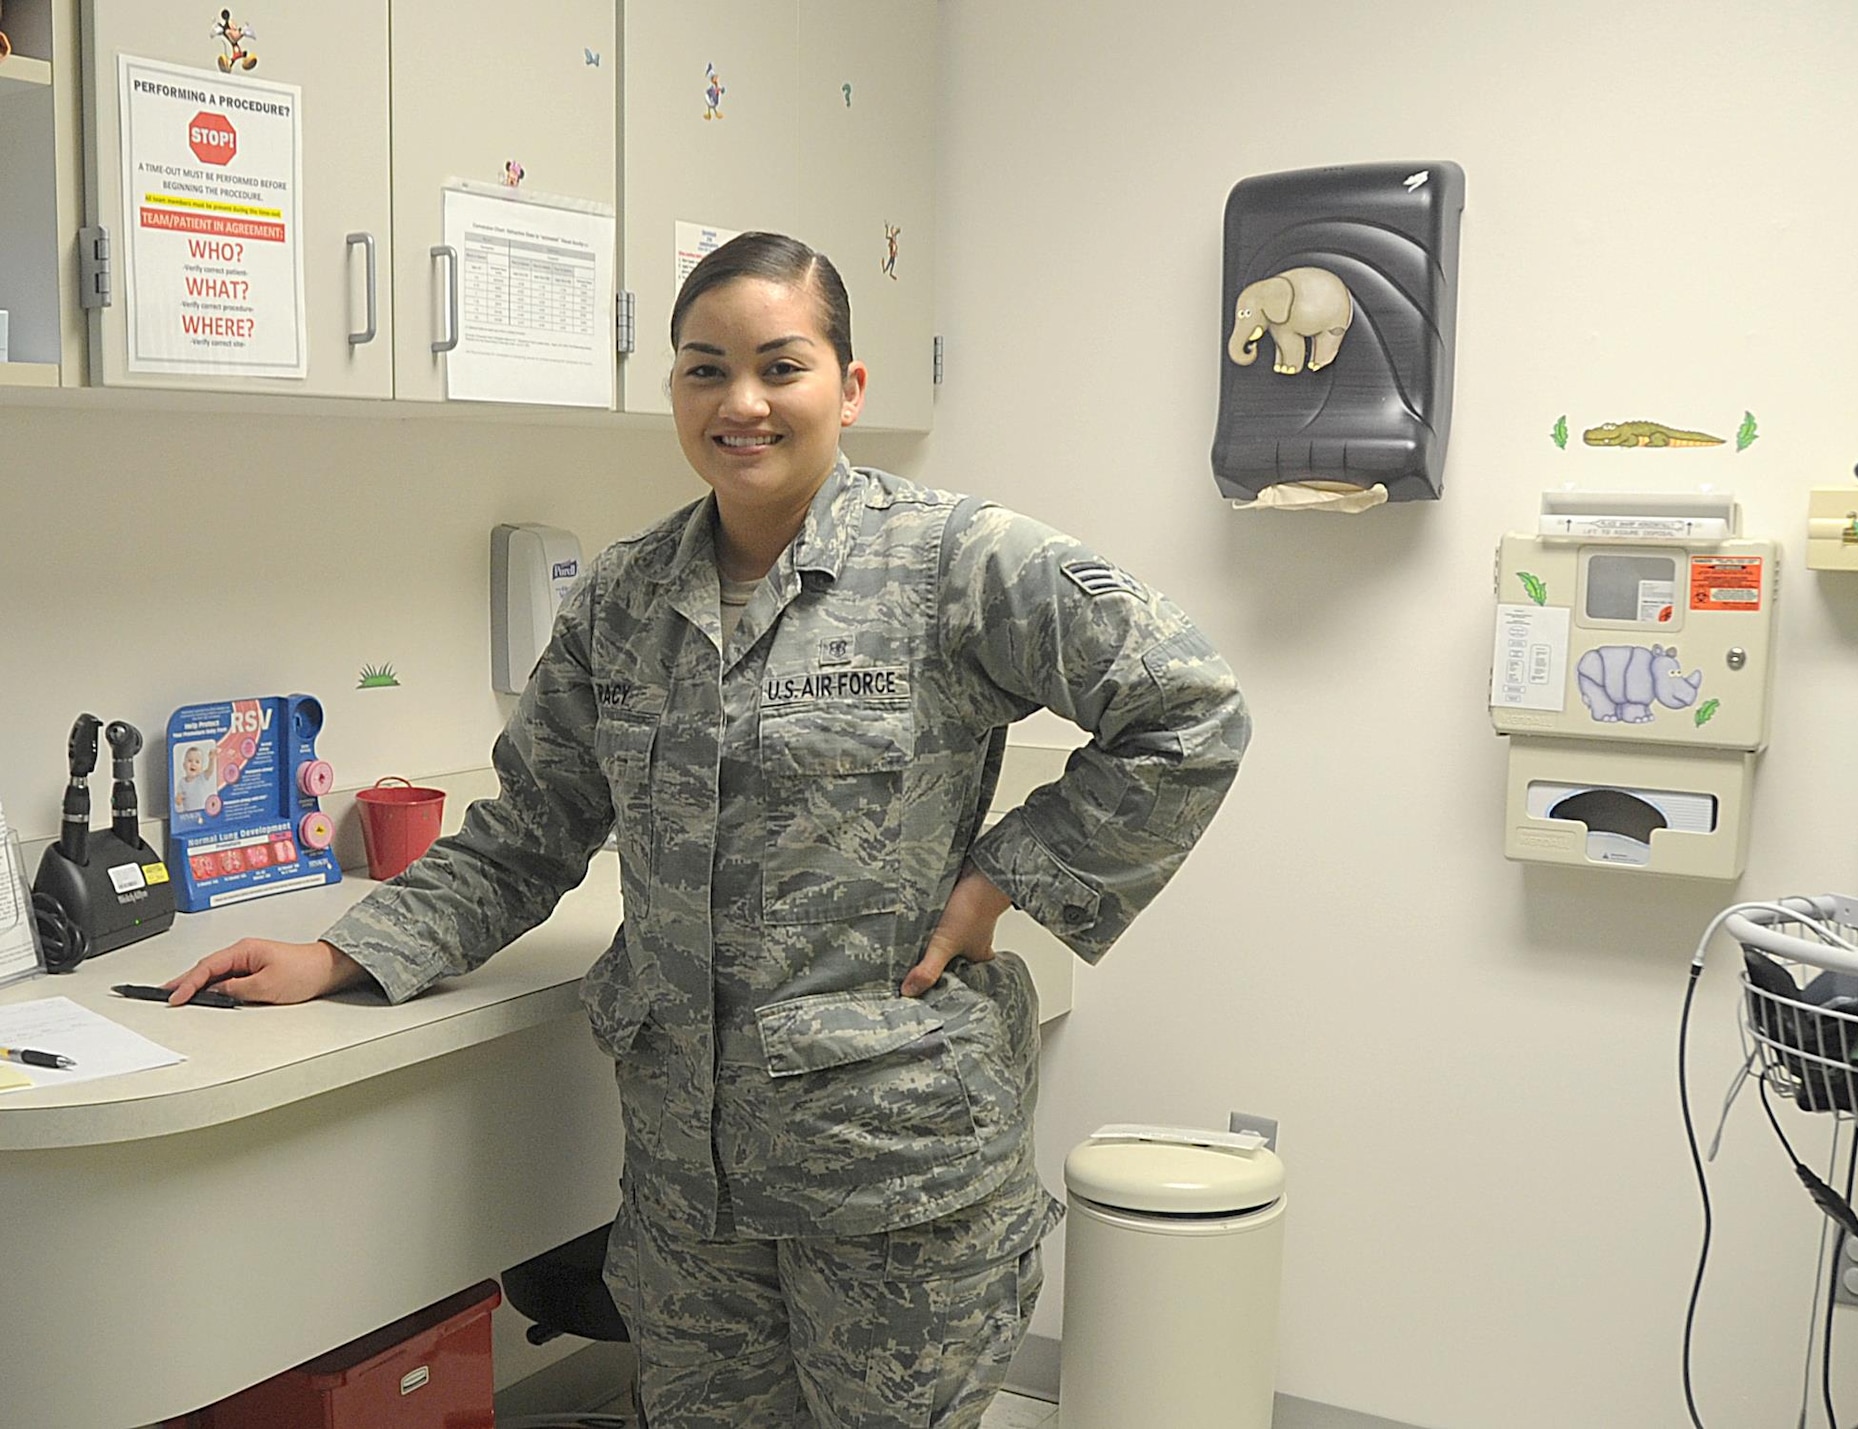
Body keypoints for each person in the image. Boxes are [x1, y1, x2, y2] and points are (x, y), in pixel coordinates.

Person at [167, 232, 1250, 1427]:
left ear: (849, 384)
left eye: (780, 366)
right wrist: (344, 952)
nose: (741, 402)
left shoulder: (957, 561)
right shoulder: (624, 598)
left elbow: (1186, 708)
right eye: (704, 369)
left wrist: (1001, 881)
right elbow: (530, 824)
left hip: (892, 1173)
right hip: (691, 1192)